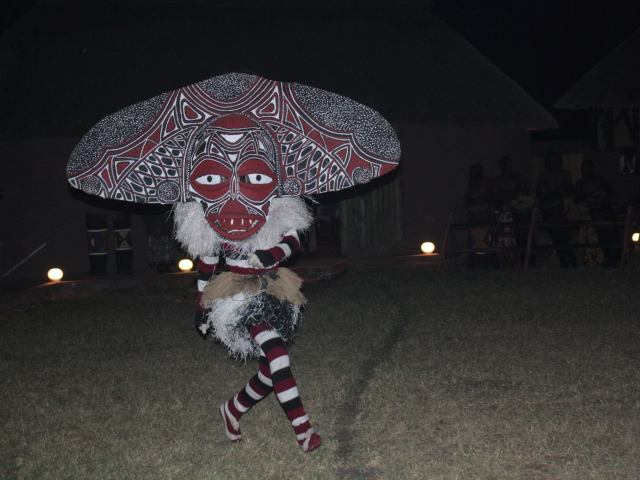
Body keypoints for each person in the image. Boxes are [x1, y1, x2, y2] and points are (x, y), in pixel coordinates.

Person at [66, 72, 401, 453]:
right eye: (211, 177)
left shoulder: (279, 213)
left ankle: (233, 409)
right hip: (233, 298)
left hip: (272, 287)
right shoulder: (207, 222)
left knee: (269, 368)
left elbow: (291, 242)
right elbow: (207, 265)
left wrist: (265, 257)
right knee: (276, 353)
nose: (234, 192)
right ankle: (304, 430)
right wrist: (202, 306)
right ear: (191, 182)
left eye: (255, 175)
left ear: (276, 176)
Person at [575, 159, 620, 267]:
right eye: (584, 169)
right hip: (591, 211)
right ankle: (606, 257)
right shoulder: (580, 183)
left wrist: (600, 197)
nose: (586, 171)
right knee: (602, 234)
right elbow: (577, 198)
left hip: (605, 210)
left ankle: (615, 257)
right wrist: (589, 199)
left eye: (588, 168)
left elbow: (609, 192)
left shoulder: (600, 180)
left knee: (610, 232)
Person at [536, 152, 577, 268]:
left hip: (562, 209)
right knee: (555, 235)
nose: (553, 163)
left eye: (555, 160)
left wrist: (560, 193)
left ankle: (569, 258)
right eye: (550, 160)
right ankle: (563, 258)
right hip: (549, 209)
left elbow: (570, 190)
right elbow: (540, 192)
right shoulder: (543, 175)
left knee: (564, 234)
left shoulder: (565, 173)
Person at [492, 155, 534, 267]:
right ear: (501, 166)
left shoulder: (518, 178)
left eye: (509, 164)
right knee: (507, 237)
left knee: (522, 235)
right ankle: (508, 261)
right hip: (506, 213)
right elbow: (496, 197)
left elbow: (525, 193)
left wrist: (518, 200)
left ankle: (525, 260)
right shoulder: (498, 180)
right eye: (505, 164)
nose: (507, 167)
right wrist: (507, 199)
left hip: (519, 210)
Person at [464, 163, 496, 268]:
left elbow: (492, 197)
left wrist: (487, 208)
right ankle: (474, 262)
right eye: (473, 171)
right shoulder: (471, 184)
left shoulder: (488, 182)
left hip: (485, 215)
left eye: (478, 171)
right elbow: (468, 199)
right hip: (474, 216)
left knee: (486, 239)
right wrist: (468, 208)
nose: (475, 174)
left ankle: (488, 263)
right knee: (474, 239)